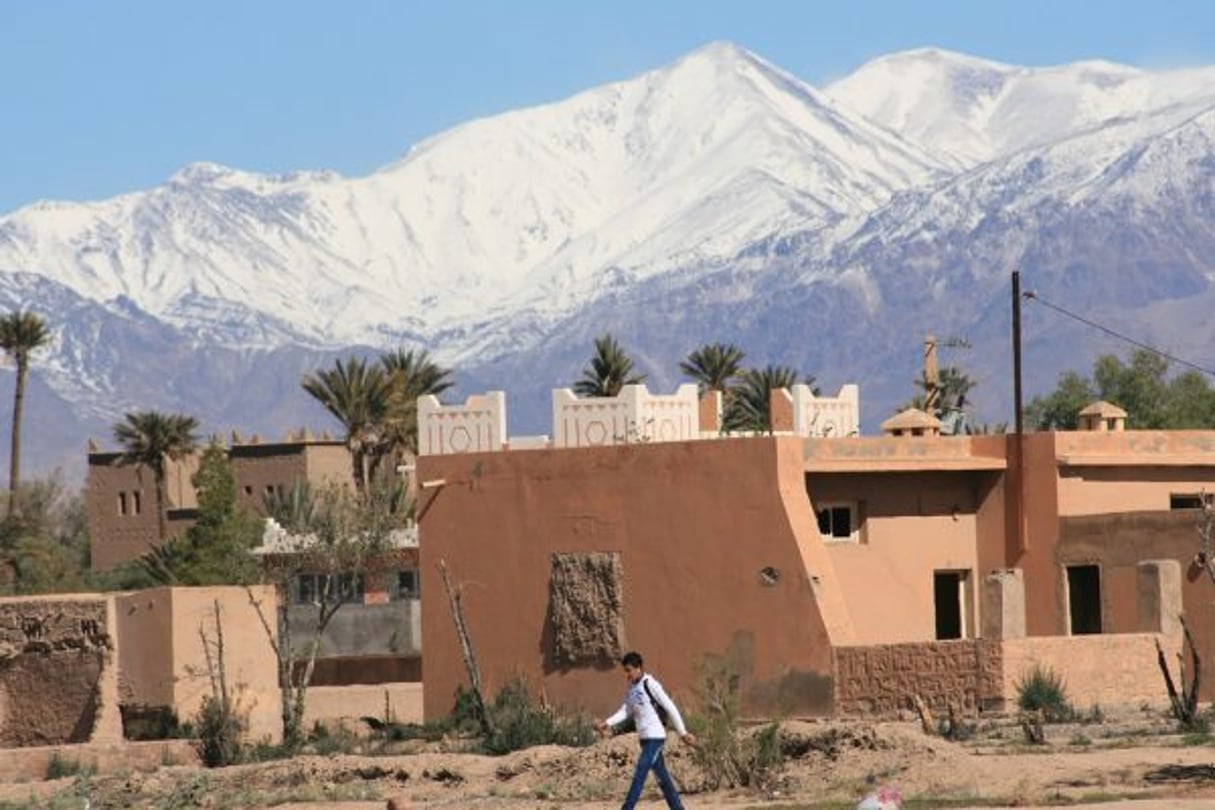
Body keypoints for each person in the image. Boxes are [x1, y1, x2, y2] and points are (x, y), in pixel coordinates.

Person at [595, 650, 696, 810]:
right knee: (662, 778)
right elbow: (625, 711)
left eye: (629, 670)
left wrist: (682, 732)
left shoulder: (651, 684)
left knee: (641, 771)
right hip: (644, 739)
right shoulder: (632, 689)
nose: (627, 674)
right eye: (625, 671)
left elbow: (670, 706)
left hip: (655, 738)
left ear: (638, 668)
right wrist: (607, 723)